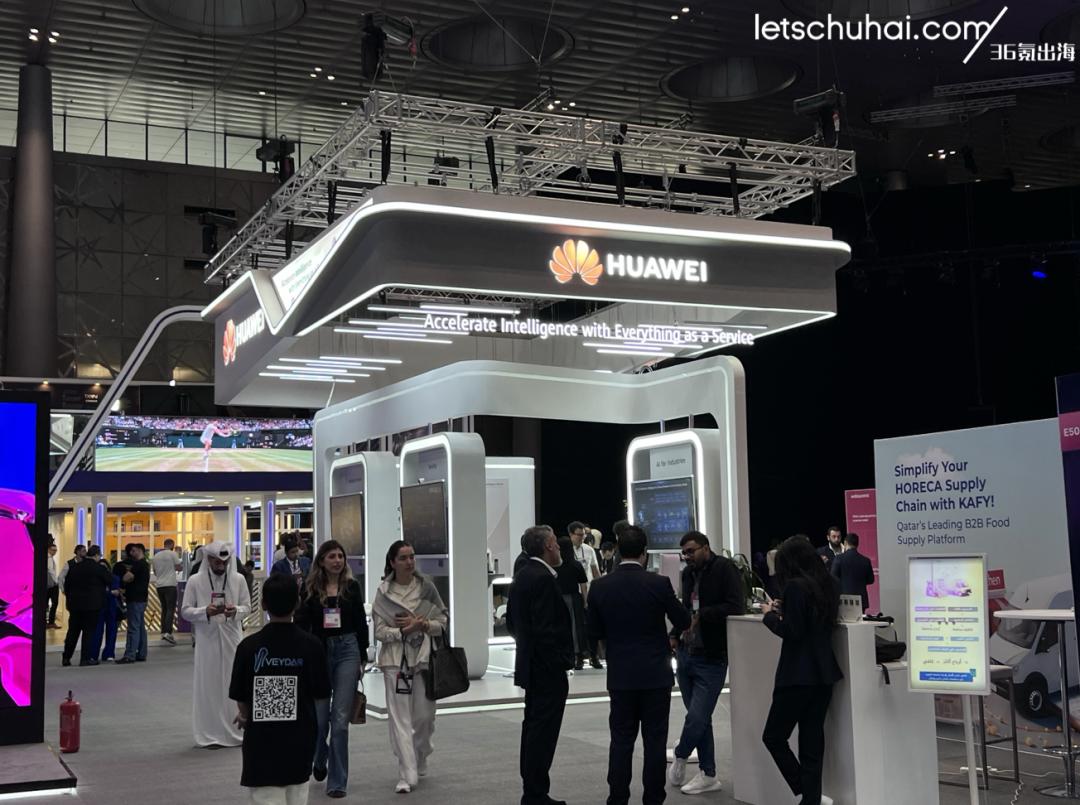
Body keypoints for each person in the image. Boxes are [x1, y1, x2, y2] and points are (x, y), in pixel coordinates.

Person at [587, 525, 691, 805]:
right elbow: (683, 621)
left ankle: (617, 797)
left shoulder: (600, 586)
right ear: (644, 553)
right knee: (655, 741)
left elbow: (592, 632)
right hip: (655, 674)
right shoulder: (659, 583)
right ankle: (653, 798)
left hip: (621, 674)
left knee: (621, 740)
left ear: (618, 552)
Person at [230, 573, 332, 805]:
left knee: (265, 797)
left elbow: (240, 694)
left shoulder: (248, 647)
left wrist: (245, 715)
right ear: (297, 603)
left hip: (261, 744)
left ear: (263, 604)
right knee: (297, 796)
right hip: (300, 740)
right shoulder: (312, 646)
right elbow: (322, 693)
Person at [761, 536, 843, 805]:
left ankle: (804, 789)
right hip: (824, 673)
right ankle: (811, 798)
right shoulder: (829, 585)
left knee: (774, 737)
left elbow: (792, 631)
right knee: (812, 742)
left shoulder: (795, 587)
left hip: (797, 674)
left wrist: (769, 616)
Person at [668, 531, 744, 795]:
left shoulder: (725, 569)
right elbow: (685, 609)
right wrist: (675, 634)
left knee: (697, 716)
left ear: (706, 548)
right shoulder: (688, 574)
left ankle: (681, 754)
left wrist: (704, 614)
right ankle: (708, 774)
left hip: (712, 656)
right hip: (686, 654)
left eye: (691, 551)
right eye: (684, 553)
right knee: (701, 719)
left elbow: (736, 606)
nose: (687, 556)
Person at [372, 540, 448, 794]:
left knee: (425, 717)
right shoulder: (383, 593)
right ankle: (407, 772)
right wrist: (402, 631)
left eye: (412, 557)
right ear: (392, 562)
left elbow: (443, 621)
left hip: (423, 658)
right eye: (403, 558)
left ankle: (421, 752)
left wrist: (424, 625)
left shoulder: (427, 587)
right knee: (399, 719)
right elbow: (379, 632)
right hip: (394, 661)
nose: (409, 562)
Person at [506, 525, 573, 805]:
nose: (559, 548)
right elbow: (547, 630)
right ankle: (536, 793)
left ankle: (533, 790)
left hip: (532, 666)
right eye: (555, 543)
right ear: (548, 546)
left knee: (533, 728)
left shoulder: (523, 575)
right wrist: (559, 661)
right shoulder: (543, 579)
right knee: (543, 732)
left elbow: (512, 623)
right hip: (547, 670)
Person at [298, 540, 369, 799]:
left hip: (348, 649)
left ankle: (337, 781)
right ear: (321, 561)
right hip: (318, 652)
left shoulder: (351, 587)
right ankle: (320, 757)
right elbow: (301, 624)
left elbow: (360, 622)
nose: (337, 560)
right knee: (319, 722)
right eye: (332, 556)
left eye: (340, 556)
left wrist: (363, 655)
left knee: (339, 721)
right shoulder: (309, 588)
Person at [180, 540, 251, 747]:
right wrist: (205, 611)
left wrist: (235, 611)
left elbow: (247, 606)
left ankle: (236, 729)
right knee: (208, 685)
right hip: (206, 639)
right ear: (208, 559)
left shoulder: (238, 579)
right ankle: (210, 732)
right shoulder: (195, 581)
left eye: (224, 562)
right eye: (216, 561)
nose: (221, 565)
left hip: (233, 638)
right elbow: (185, 611)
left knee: (234, 682)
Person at [61, 544, 112, 666]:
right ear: (96, 555)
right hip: (92, 606)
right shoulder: (99, 568)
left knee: (73, 631)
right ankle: (85, 659)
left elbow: (67, 585)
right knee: (89, 632)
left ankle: (66, 657)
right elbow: (109, 580)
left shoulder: (75, 567)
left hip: (75, 605)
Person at [556, 536, 590, 671]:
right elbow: (583, 585)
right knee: (576, 627)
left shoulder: (555, 565)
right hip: (574, 598)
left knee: (560, 627)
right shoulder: (576, 565)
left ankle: (564, 654)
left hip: (558, 599)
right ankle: (578, 656)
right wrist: (585, 601)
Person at [117, 543, 150, 664]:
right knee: (140, 627)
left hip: (134, 599)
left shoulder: (138, 564)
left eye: (134, 551)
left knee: (133, 628)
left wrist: (124, 580)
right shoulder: (145, 564)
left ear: (140, 550)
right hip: (142, 599)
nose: (131, 553)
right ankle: (141, 653)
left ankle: (129, 654)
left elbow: (126, 578)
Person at [89, 547, 122, 663]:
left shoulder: (114, 578)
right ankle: (93, 654)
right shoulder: (95, 580)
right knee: (97, 632)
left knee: (111, 631)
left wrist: (109, 592)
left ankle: (109, 653)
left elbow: (116, 591)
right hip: (99, 607)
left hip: (111, 607)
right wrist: (110, 592)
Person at [830, 532, 875, 612]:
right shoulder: (866, 560)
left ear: (845, 543)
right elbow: (871, 580)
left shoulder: (839, 558)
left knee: (845, 619)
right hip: (861, 600)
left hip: (843, 599)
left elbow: (833, 577)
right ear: (857, 544)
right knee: (860, 619)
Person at [152, 538, 182, 645]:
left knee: (164, 609)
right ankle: (168, 633)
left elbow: (155, 571)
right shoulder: (173, 554)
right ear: (172, 545)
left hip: (159, 586)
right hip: (170, 585)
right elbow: (179, 567)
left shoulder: (156, 556)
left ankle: (163, 631)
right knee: (170, 609)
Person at [47, 542, 61, 629]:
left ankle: (49, 622)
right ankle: (51, 622)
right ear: (49, 549)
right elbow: (51, 570)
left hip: (49, 585)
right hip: (52, 585)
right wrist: (56, 581)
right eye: (53, 550)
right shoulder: (49, 558)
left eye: (56, 550)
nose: (55, 552)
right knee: (54, 603)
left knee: (49, 604)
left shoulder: (50, 558)